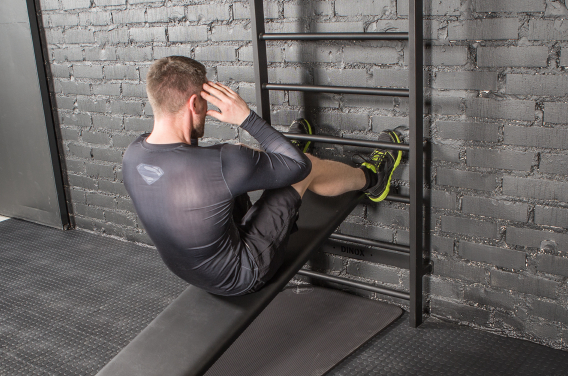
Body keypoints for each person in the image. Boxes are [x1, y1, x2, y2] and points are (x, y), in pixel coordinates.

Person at [123, 56, 405, 297]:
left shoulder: (133, 154)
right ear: (194, 103)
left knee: (237, 161)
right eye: (205, 103)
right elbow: (300, 166)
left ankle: (280, 159)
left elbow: (188, 164)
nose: (207, 111)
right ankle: (372, 178)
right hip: (244, 274)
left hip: (191, 273)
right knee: (301, 167)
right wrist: (246, 118)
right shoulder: (220, 163)